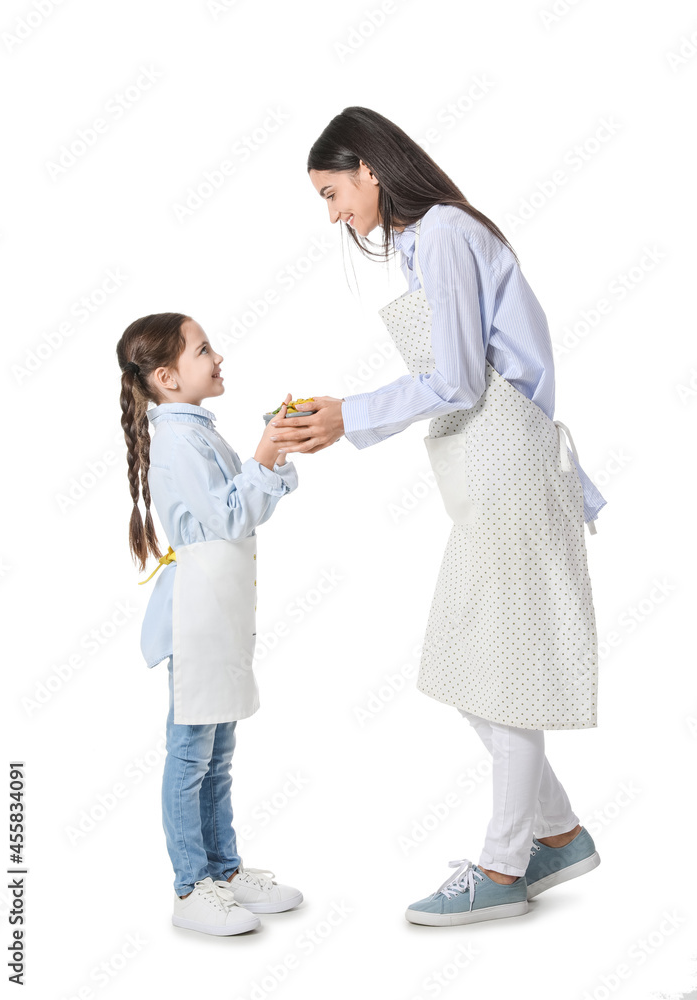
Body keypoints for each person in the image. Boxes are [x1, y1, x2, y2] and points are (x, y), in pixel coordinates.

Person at [269, 106, 605, 926]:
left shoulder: (446, 233)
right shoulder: (428, 243)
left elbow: (455, 379)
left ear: (369, 171)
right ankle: (554, 833)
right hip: (493, 465)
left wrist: (349, 413)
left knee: (502, 668)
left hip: (510, 464)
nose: (333, 213)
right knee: (470, 660)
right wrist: (346, 412)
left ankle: (501, 866)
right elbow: (460, 378)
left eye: (331, 192)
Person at [117, 312, 303, 936]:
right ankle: (190, 886)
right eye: (203, 350)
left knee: (219, 753)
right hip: (197, 619)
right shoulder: (176, 442)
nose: (217, 356)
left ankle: (223, 871)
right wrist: (265, 453)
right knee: (191, 753)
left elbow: (247, 505)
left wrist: (270, 448)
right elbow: (228, 518)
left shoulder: (199, 432)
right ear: (168, 377)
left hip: (221, 614)